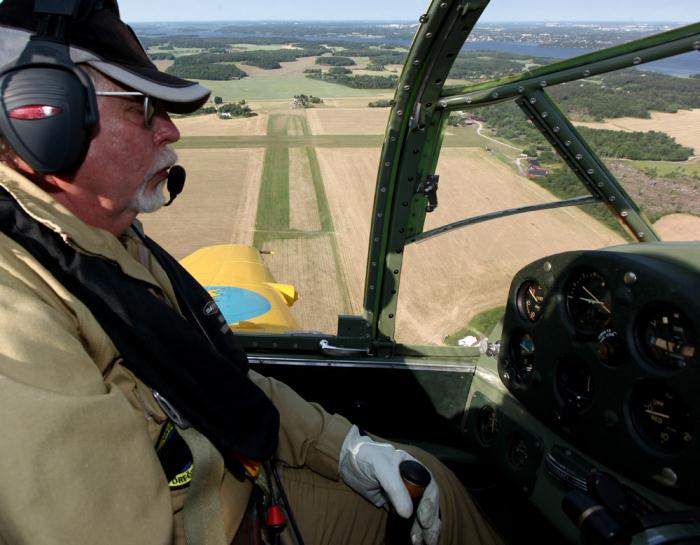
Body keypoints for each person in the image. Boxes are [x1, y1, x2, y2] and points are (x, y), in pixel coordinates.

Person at [0, 1, 503, 544]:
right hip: (223, 524)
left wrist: (345, 447)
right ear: (41, 118)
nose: (170, 132)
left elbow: (209, 373)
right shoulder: (15, 310)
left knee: (435, 486)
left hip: (242, 486)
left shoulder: (108, 246)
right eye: (145, 108)